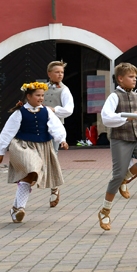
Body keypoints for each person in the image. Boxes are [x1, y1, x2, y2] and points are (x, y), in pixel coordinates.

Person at [0, 82, 68, 223]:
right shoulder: (19, 112)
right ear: (28, 96)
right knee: (32, 171)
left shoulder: (46, 112)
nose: (41, 98)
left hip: (43, 147)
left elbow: (56, 127)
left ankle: (16, 209)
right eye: (37, 95)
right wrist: (1, 152)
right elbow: (7, 132)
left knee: (29, 178)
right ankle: (20, 207)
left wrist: (62, 140)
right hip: (23, 146)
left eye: (42, 95)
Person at [97, 63, 137, 231]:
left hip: (136, 137)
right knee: (116, 176)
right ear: (120, 79)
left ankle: (126, 178)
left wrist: (134, 118)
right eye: (131, 77)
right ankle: (105, 211)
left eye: (135, 77)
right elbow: (106, 118)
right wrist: (125, 118)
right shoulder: (114, 96)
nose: (135, 80)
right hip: (120, 139)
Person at [44, 61, 74, 207]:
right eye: (57, 72)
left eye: (62, 72)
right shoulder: (41, 87)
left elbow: (69, 110)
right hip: (39, 126)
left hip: (55, 127)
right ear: (49, 74)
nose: (60, 75)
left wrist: (54, 110)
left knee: (52, 157)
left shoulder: (64, 90)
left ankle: (54, 189)